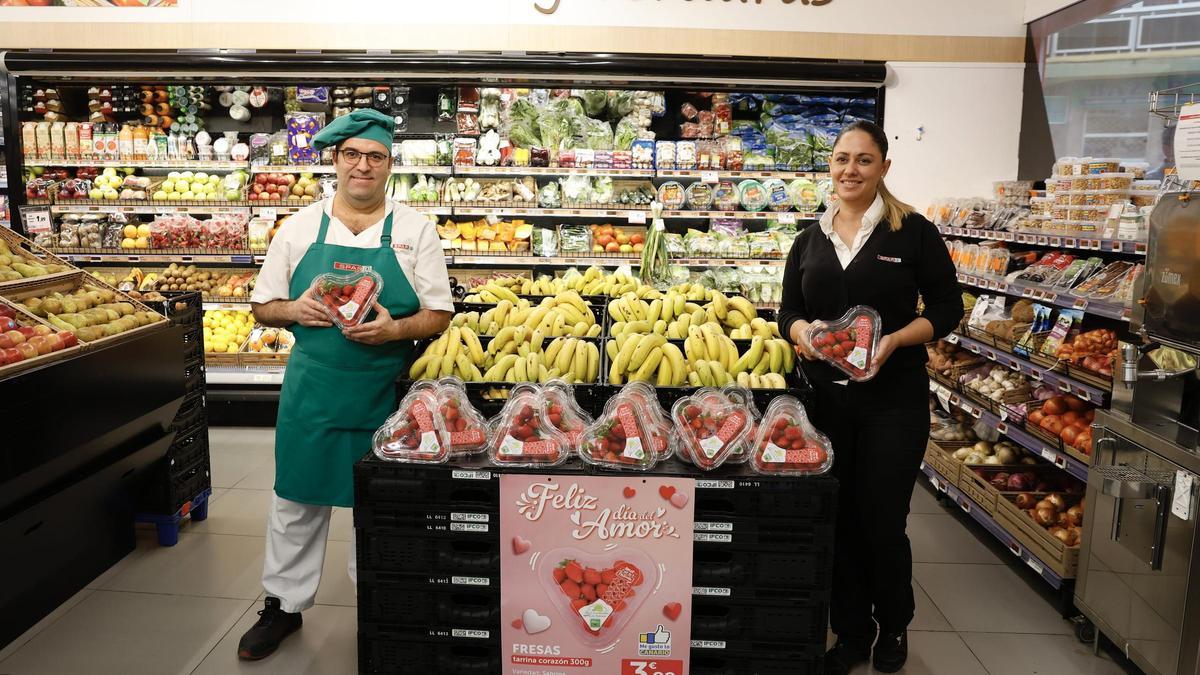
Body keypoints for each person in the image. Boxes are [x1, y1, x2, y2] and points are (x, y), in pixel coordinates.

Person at [238, 108, 453, 660]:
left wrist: (394, 329)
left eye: (375, 157)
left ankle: (383, 602)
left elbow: (438, 314)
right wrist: (295, 308)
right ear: (336, 161)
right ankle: (282, 606)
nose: (364, 166)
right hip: (314, 386)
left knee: (380, 504)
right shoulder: (299, 227)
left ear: (389, 166)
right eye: (353, 155)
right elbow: (262, 308)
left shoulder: (414, 230)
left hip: (386, 390)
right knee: (296, 499)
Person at [778, 121, 962, 674]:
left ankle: (895, 626)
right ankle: (852, 631)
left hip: (894, 400)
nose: (849, 170)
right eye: (840, 159)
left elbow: (948, 310)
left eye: (863, 160)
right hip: (827, 404)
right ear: (829, 167)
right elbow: (788, 311)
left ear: (884, 167)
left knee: (882, 520)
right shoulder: (810, 239)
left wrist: (896, 341)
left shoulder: (914, 234)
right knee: (839, 518)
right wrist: (803, 333)